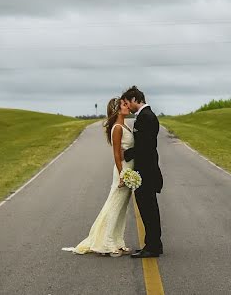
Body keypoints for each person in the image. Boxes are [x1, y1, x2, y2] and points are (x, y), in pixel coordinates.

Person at [62, 98, 135, 256]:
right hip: (123, 172)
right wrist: (123, 175)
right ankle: (107, 242)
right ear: (117, 109)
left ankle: (118, 241)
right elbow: (116, 154)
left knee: (122, 208)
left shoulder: (125, 125)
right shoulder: (117, 128)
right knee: (114, 206)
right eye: (124, 105)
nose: (128, 106)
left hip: (130, 171)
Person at [121, 85, 164, 258]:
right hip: (146, 170)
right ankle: (152, 243)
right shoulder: (145, 116)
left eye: (127, 103)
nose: (127, 107)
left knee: (148, 210)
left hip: (146, 171)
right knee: (147, 209)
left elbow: (146, 146)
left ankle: (153, 246)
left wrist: (129, 153)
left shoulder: (146, 117)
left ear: (134, 100)